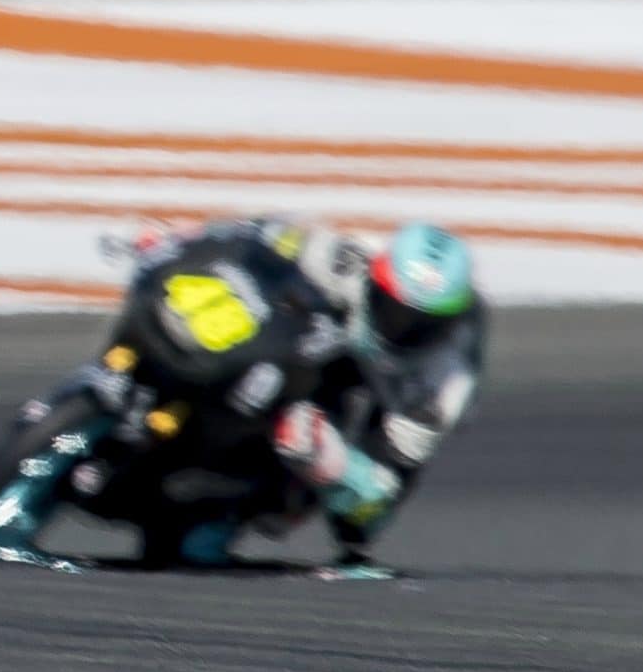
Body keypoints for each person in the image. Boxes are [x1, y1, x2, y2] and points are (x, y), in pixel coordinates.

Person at [137, 217, 486, 567]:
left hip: (366, 399)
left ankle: (219, 519)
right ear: (376, 277)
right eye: (394, 309)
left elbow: (366, 515)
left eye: (422, 324)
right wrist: (182, 241)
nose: (403, 328)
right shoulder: (344, 261)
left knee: (318, 484)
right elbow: (260, 236)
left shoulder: (442, 384)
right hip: (301, 343)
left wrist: (331, 463)